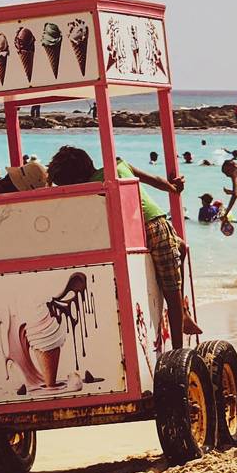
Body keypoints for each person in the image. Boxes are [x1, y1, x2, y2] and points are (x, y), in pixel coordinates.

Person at [48, 146, 197, 347]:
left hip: (148, 228)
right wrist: (173, 188)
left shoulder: (92, 187)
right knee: (180, 248)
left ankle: (178, 349)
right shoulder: (119, 164)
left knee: (171, 291)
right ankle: (183, 313)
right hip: (157, 223)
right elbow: (156, 180)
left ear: (75, 180)